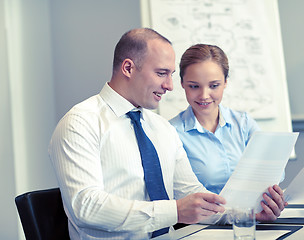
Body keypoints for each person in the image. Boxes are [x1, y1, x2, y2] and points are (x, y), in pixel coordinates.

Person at [48, 28, 226, 240]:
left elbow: (191, 193)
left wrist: (246, 214)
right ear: (128, 68)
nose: (169, 86)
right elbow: (87, 207)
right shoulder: (80, 123)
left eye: (171, 75)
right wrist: (174, 211)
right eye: (161, 73)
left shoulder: (162, 128)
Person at [169, 43, 287, 222]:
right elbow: (184, 198)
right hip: (202, 230)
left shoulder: (244, 123)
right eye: (194, 86)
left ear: (225, 82)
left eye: (214, 85)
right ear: (182, 84)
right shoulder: (171, 133)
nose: (204, 95)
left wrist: (271, 197)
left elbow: (275, 171)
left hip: (253, 221)